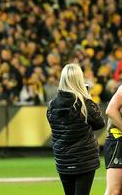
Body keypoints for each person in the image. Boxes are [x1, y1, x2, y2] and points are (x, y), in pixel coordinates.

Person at [47, 63, 105, 195]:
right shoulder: (84, 102)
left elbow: (54, 126)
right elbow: (100, 124)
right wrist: (88, 97)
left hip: (62, 159)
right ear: (79, 79)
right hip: (84, 159)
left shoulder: (52, 104)